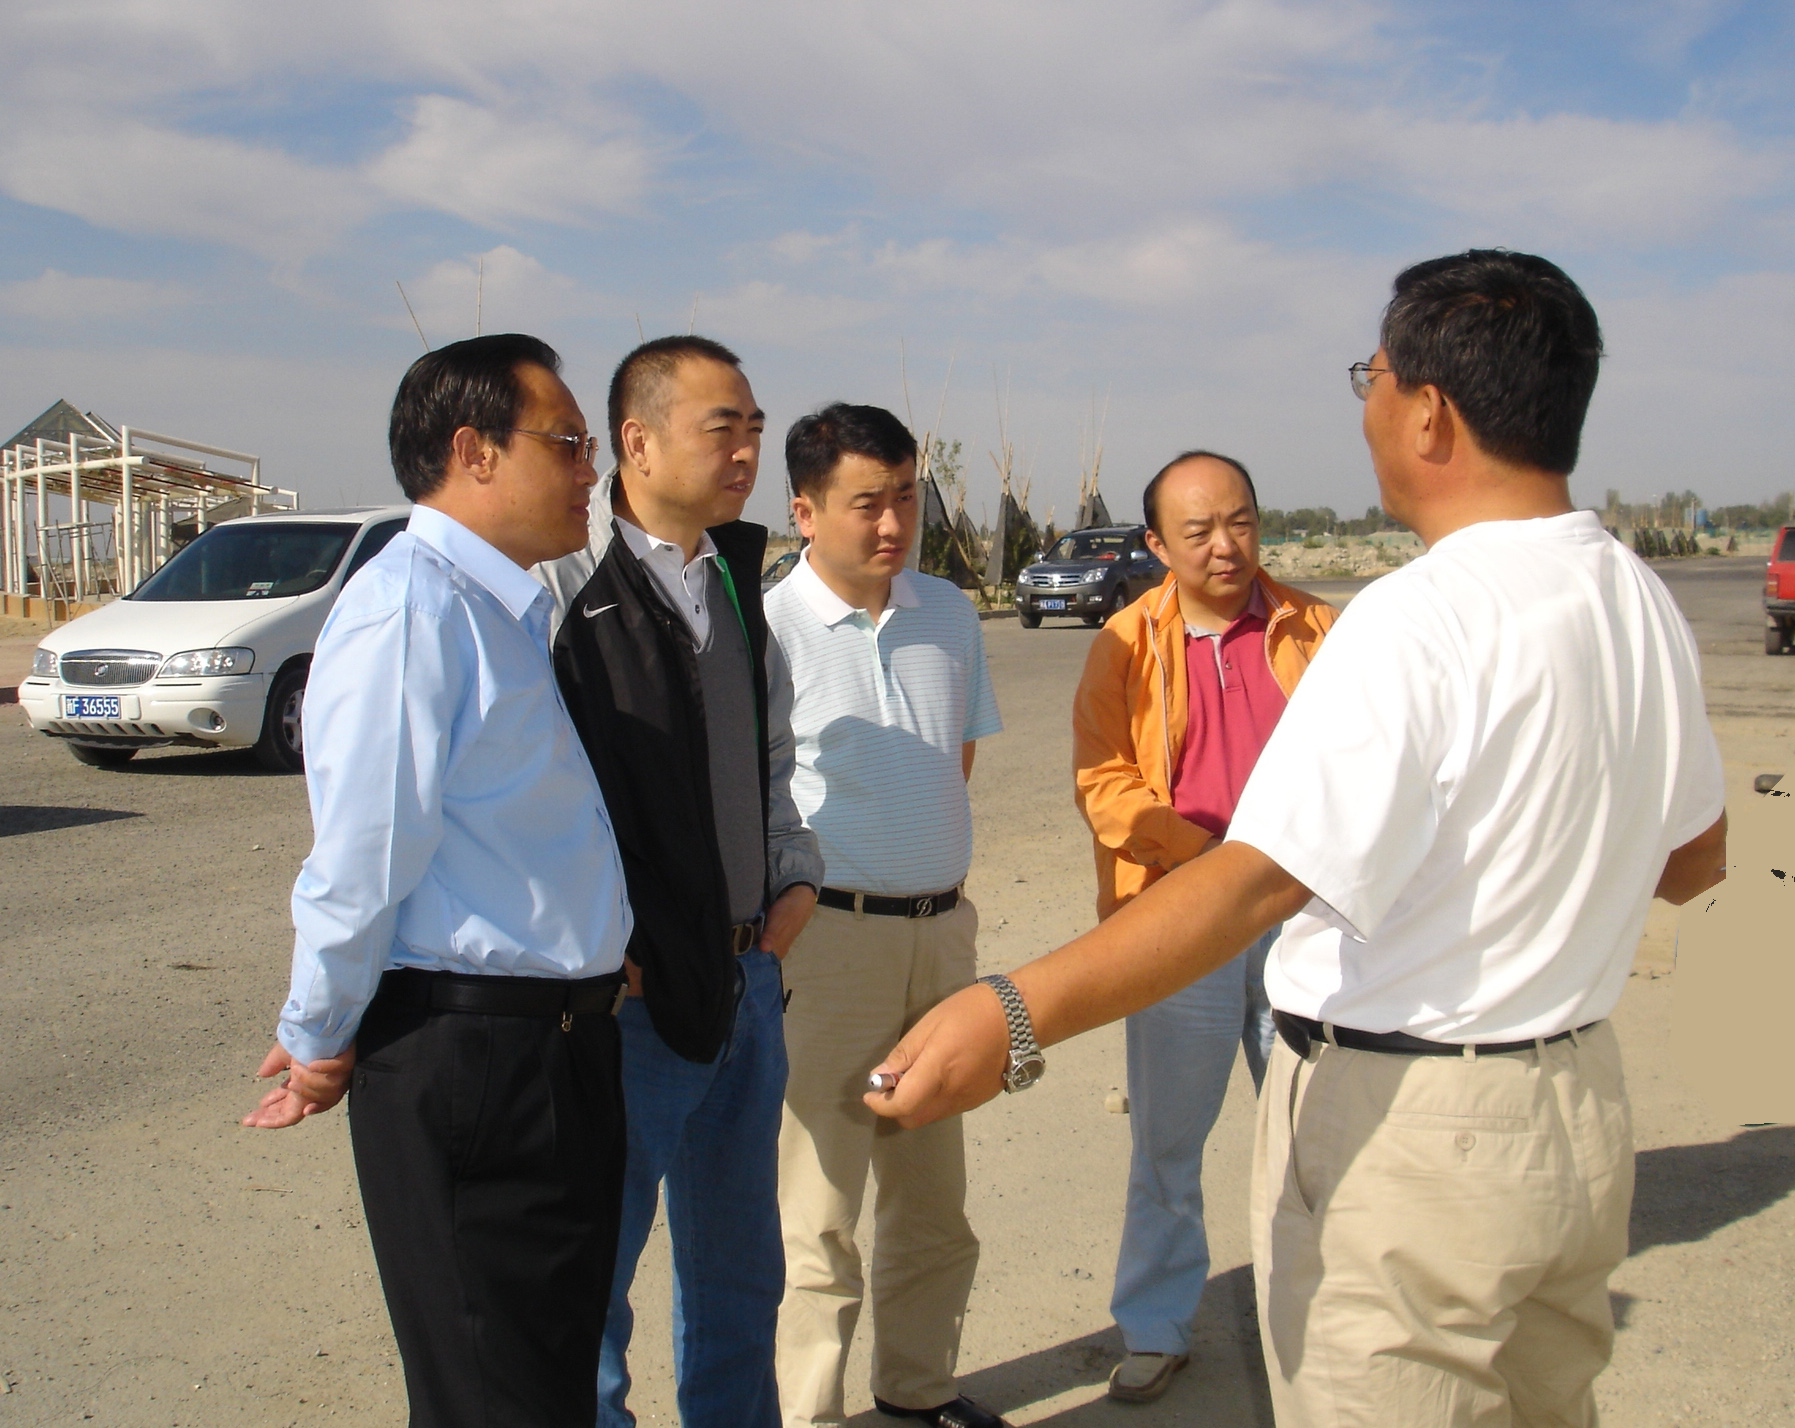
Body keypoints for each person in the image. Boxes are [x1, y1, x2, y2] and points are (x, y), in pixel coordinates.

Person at [866, 249, 1729, 1427]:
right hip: (1572, 1108)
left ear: (1428, 413)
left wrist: (1010, 1014)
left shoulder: (1409, 618)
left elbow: (1256, 885)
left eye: (1372, 377)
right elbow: (1691, 860)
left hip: (1414, 1133)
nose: (1364, 405)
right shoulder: (1635, 597)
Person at [242, 333, 634, 1428]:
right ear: (474, 451)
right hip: (476, 1061)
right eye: (568, 443)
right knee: (490, 1391)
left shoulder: (497, 609)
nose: (590, 470)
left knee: (543, 1381)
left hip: (555, 1048)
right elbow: (364, 857)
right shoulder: (411, 610)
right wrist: (318, 1036)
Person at [540, 335, 823, 1428]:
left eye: (754, 428)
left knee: (741, 1280)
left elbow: (773, 762)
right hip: (629, 1008)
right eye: (722, 428)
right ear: (638, 441)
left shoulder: (737, 586)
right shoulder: (559, 591)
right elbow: (529, 795)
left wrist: (791, 888)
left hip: (747, 984)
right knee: (592, 1295)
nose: (747, 450)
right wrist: (596, 944)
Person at [1072, 450, 1336, 1403]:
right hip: (1179, 918)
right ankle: (1155, 1325)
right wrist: (1204, 859)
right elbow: (1105, 783)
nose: (1225, 546)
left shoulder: (1319, 630)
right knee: (1167, 1143)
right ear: (1156, 544)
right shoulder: (1124, 644)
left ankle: (1322, 1325)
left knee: (1316, 1138)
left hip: (1302, 918)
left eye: (1240, 523)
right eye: (1198, 531)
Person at [765, 404, 1007, 1428]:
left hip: (942, 936)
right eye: (866, 503)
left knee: (933, 1193)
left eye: (905, 496)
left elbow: (955, 759)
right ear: (804, 510)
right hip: (827, 945)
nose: (893, 523)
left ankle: (917, 1391)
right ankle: (807, 1414)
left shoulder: (948, 612)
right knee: (818, 1206)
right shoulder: (767, 630)